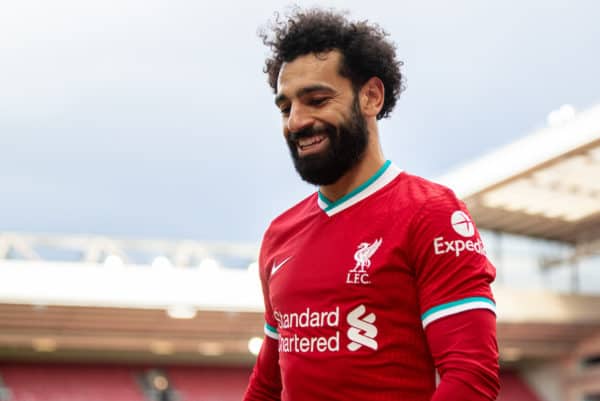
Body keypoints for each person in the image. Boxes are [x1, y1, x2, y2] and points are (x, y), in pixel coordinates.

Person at [244, 8, 499, 401]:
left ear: (371, 96)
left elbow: (470, 376)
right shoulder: (279, 235)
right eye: (285, 107)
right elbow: (267, 385)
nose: (295, 121)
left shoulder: (432, 214)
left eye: (316, 99)